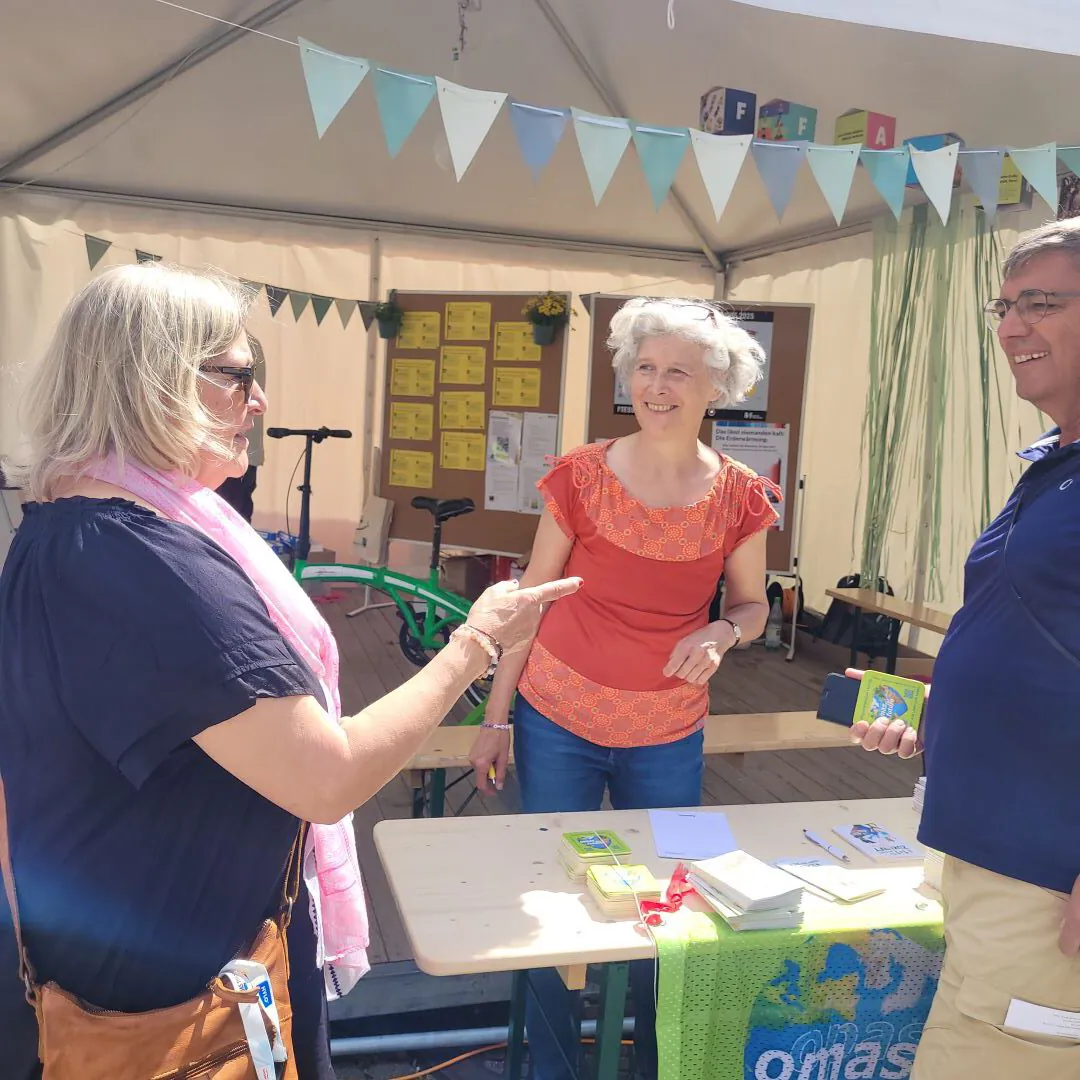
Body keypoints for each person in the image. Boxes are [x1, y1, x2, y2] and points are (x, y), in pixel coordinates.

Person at [0, 263, 580, 1079]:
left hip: (138, 960)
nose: (260, 403)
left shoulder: (69, 525)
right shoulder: (140, 559)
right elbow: (328, 776)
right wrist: (474, 643)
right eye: (238, 377)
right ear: (150, 381)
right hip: (174, 1004)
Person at [468, 296, 779, 1080]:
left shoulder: (743, 496)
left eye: (679, 370)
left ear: (719, 385)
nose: (657, 384)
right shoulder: (579, 474)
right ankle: (550, 1069)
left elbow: (752, 605)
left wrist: (722, 631)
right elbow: (532, 600)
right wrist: (496, 717)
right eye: (645, 367)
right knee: (547, 904)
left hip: (669, 730)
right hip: (557, 718)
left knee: (669, 906)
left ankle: (658, 1062)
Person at [851, 217, 1080, 1078]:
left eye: (1043, 303)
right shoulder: (1056, 461)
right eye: (1005, 306)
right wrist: (937, 711)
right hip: (993, 862)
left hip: (1046, 885)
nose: (1012, 327)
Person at [215, 331, 265, 521]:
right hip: (230, 447)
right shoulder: (243, 339)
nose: (261, 402)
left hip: (233, 448)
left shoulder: (235, 338)